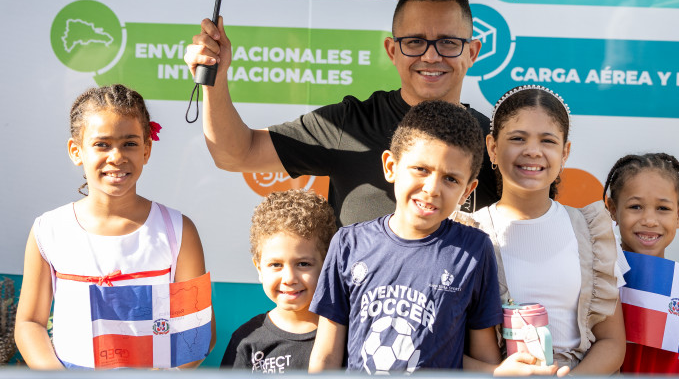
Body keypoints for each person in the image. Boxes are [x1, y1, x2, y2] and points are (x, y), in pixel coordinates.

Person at [183, 0, 498, 226]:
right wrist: (215, 79)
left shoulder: (494, 143)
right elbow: (236, 154)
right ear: (392, 50)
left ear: (472, 52)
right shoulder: (350, 124)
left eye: (448, 42)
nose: (430, 56)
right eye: (414, 42)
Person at [307, 100, 568, 375]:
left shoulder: (473, 249)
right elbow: (326, 355)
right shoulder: (348, 244)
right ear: (390, 166)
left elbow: (484, 356)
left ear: (467, 191)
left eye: (451, 179)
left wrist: (502, 373)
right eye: (421, 169)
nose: (432, 189)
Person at [14, 84, 214, 369]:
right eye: (102, 144)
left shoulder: (178, 230)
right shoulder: (48, 230)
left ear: (146, 149)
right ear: (76, 151)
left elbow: (197, 331)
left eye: (129, 143)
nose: (117, 156)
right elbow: (30, 323)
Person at [471, 85, 626, 374]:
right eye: (518, 138)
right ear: (492, 147)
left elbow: (612, 341)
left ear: (565, 152)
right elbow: (448, 348)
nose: (533, 151)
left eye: (548, 141)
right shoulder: (469, 233)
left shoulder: (591, 231)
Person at [603, 153, 679, 375]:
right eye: (635, 206)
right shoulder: (596, 284)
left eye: (663, 208)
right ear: (612, 209)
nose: (649, 220)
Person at [219, 189, 337, 372]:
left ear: (327, 263)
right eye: (276, 265)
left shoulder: (342, 333)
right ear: (259, 268)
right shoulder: (246, 340)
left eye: (303, 264)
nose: (289, 278)